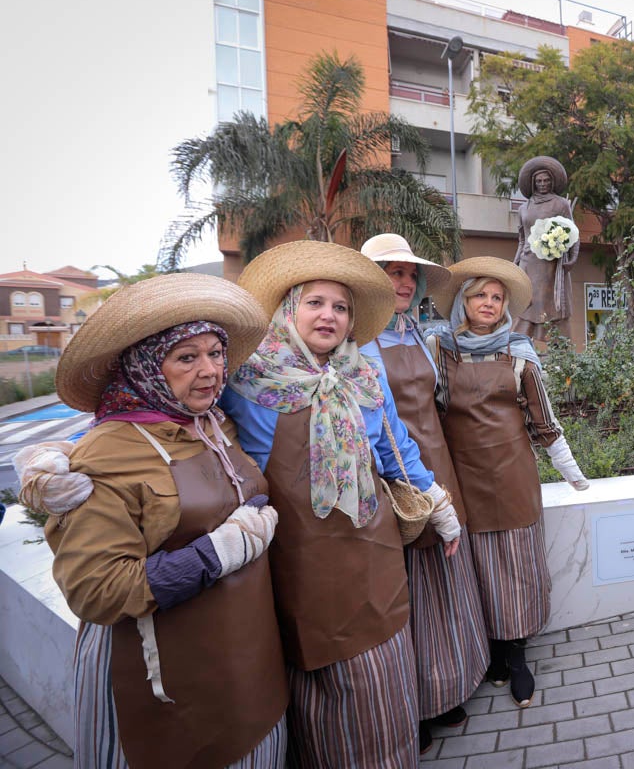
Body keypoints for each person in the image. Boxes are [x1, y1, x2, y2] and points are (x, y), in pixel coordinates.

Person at [31, 273, 288, 768]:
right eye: (186, 357)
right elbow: (95, 589)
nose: (211, 370)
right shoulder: (108, 450)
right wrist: (221, 551)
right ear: (147, 368)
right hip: (163, 676)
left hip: (244, 654)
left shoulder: (214, 424)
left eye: (216, 352)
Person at [221, 241, 456, 769]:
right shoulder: (245, 379)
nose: (329, 315)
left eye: (341, 307)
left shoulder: (363, 377)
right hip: (301, 560)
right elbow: (178, 411)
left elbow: (395, 446)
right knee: (325, 678)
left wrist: (439, 506)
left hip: (373, 547)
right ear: (288, 310)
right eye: (315, 303)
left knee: (385, 671)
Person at [427, 256, 589, 708]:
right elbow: (432, 414)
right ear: (463, 300)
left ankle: (516, 657)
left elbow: (543, 417)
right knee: (478, 566)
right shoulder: (440, 348)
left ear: (504, 308)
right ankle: (492, 653)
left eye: (497, 297)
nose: (488, 303)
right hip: (463, 474)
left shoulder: (519, 353)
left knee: (516, 566)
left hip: (513, 472)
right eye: (480, 294)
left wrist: (569, 469)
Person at [358, 234, 489, 753]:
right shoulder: (357, 341)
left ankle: (445, 687)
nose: (405, 283)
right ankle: (410, 702)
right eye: (394, 273)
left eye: (410, 276)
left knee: (443, 576)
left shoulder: (417, 330)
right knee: (405, 582)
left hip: (437, 460)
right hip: (393, 473)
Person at [512, 156, 579, 342]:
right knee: (526, 307)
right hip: (528, 265)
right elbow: (521, 239)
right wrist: (515, 264)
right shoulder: (523, 208)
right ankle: (518, 350)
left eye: (546, 180)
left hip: (551, 267)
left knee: (554, 309)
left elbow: (573, 234)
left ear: (552, 182)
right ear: (533, 183)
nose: (543, 184)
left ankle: (561, 355)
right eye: (539, 181)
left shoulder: (561, 204)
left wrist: (572, 259)